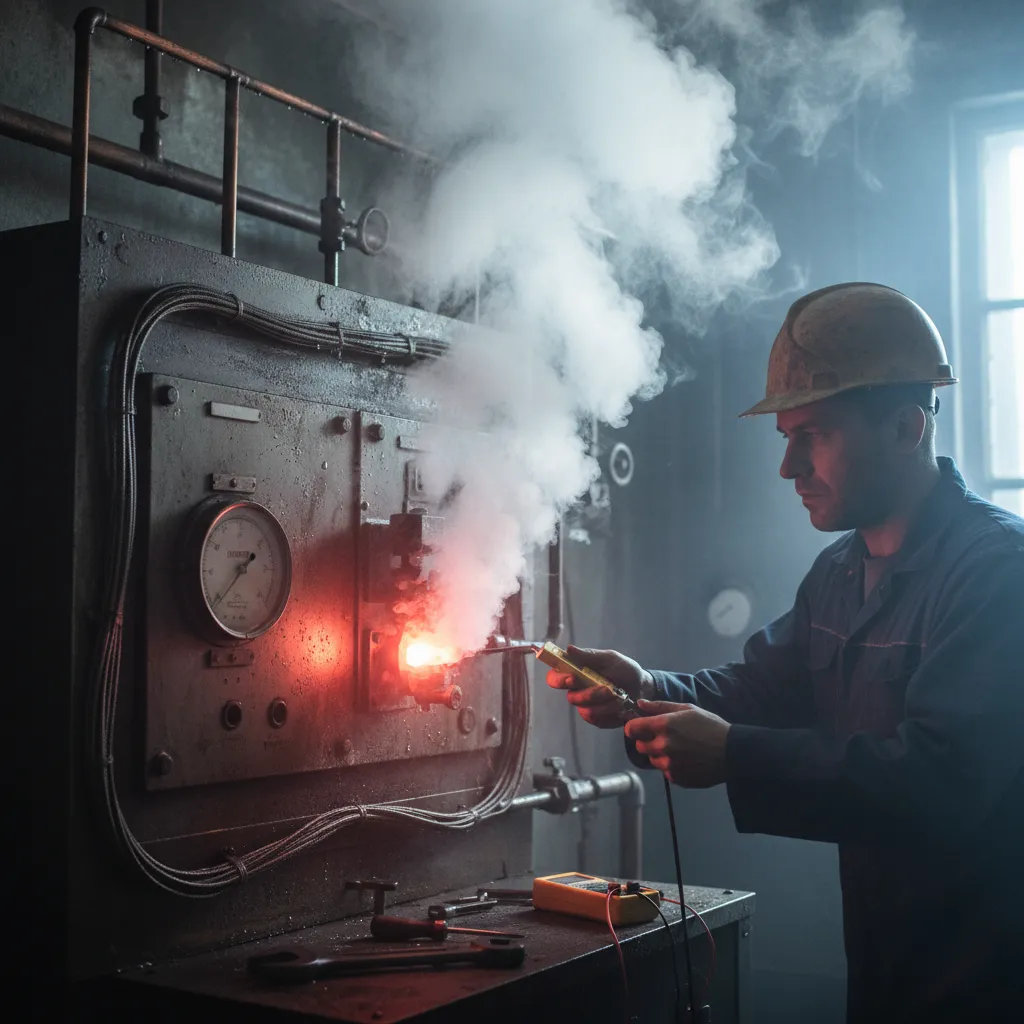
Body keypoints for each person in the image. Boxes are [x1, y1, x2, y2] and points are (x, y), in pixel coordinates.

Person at [547, 283, 1024, 1024]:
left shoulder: (996, 572)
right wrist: (644, 689)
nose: (789, 468)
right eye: (786, 438)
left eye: (817, 434)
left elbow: (942, 781)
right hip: (886, 969)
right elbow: (760, 689)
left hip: (991, 973)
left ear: (906, 427)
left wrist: (736, 755)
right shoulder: (838, 574)